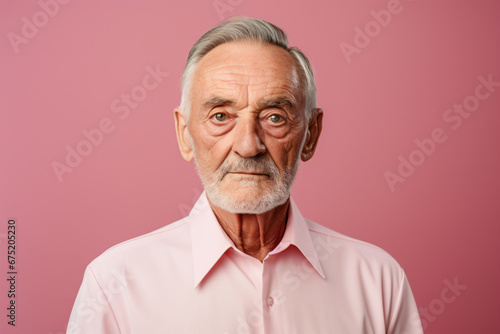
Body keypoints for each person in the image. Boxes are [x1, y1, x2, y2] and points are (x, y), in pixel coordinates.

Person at [67, 17, 423, 334]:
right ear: (184, 133)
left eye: (274, 117)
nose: (248, 146)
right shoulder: (114, 284)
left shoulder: (378, 281)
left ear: (310, 134)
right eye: (221, 116)